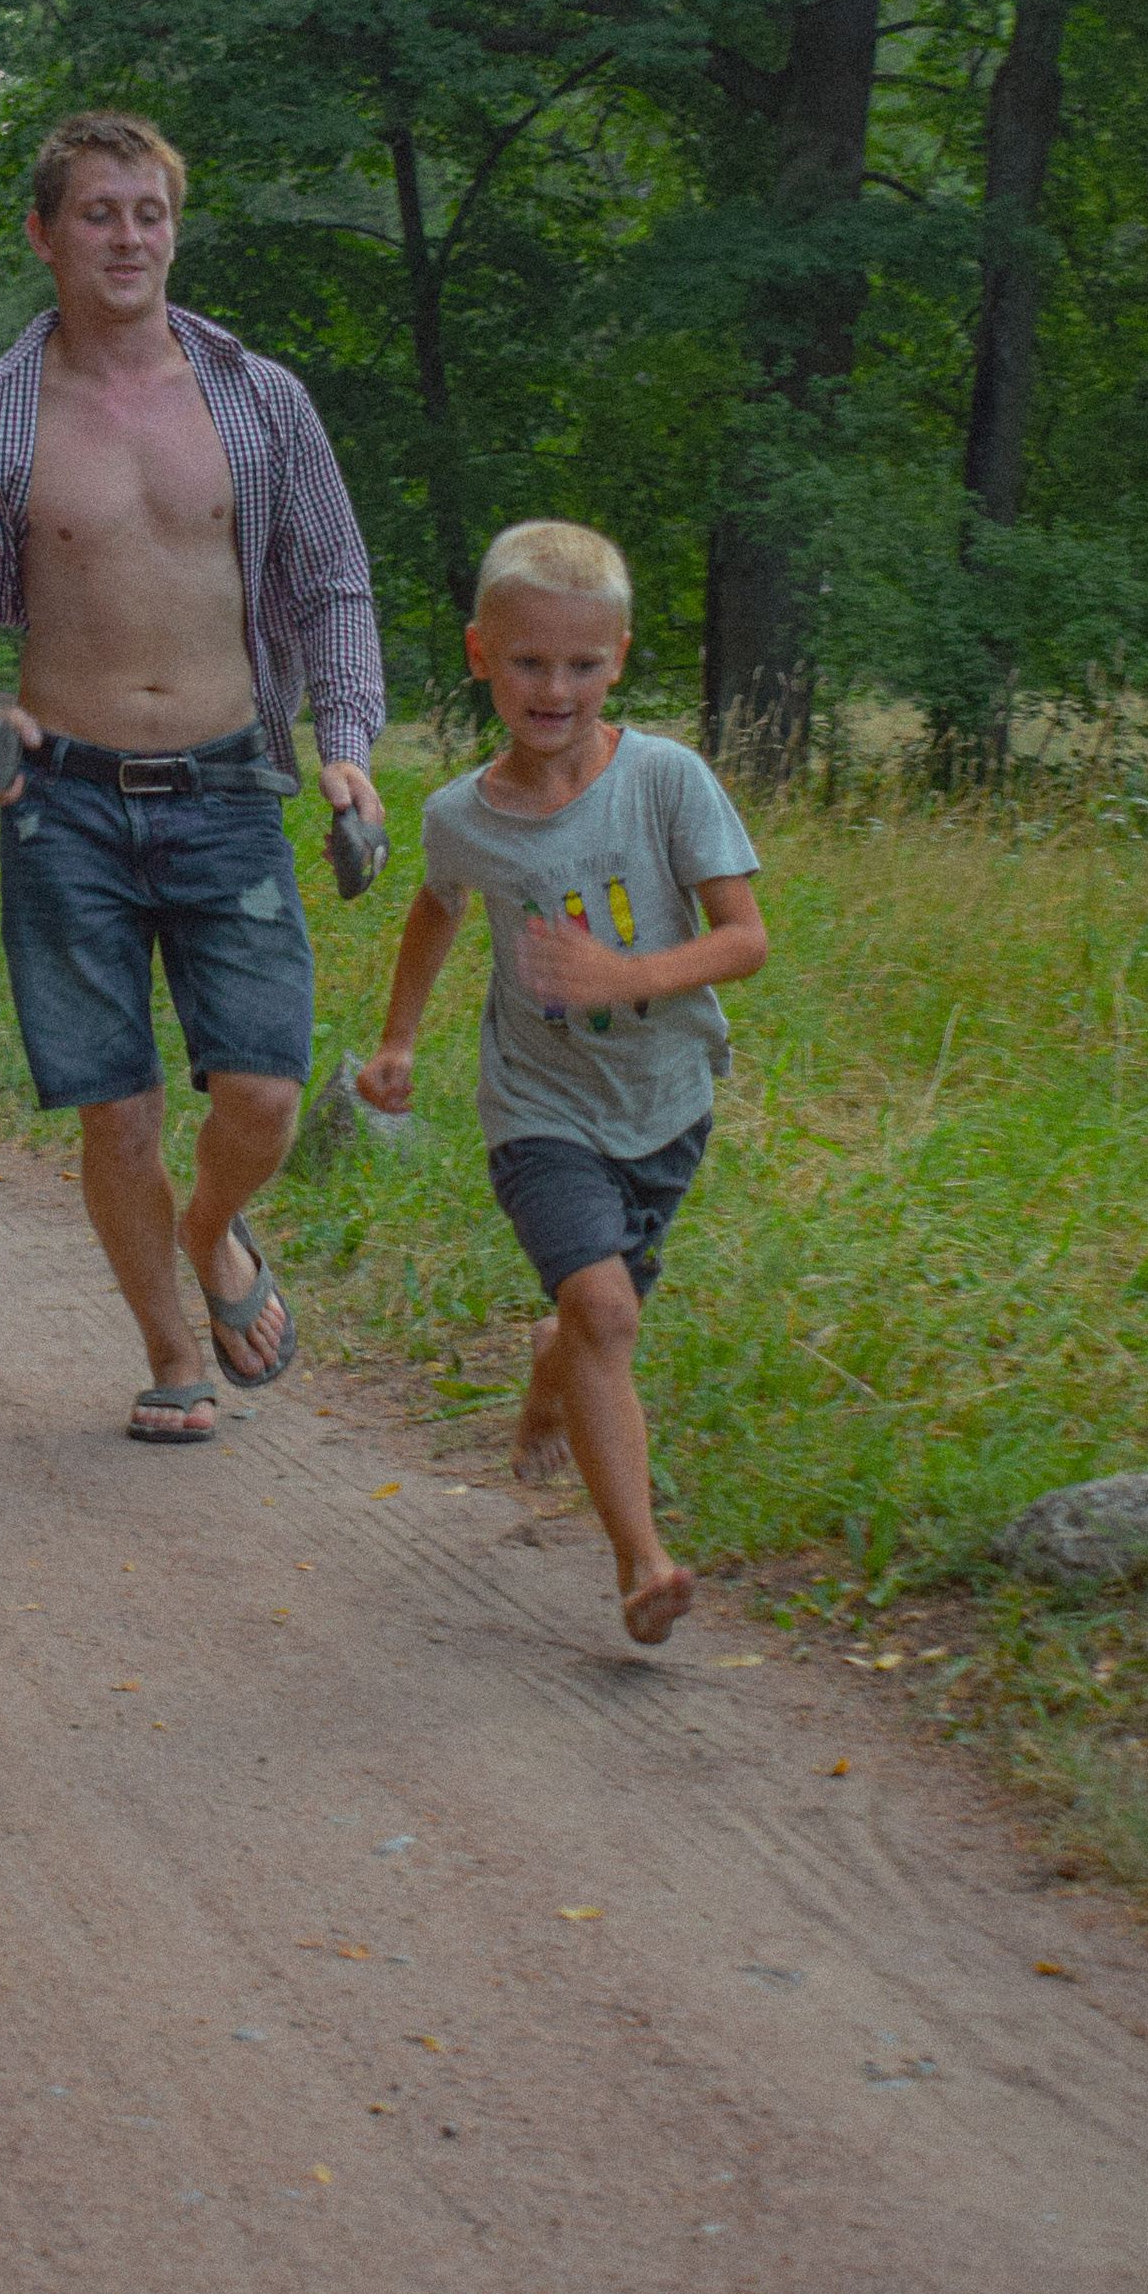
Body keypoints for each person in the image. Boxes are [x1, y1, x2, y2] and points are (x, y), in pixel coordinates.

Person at [0, 108, 385, 1446]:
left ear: (174, 229)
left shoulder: (259, 398)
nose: (129, 236)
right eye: (99, 213)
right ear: (46, 235)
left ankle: (214, 1229)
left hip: (230, 787)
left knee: (265, 1092)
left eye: (150, 212)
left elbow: (334, 583)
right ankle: (172, 1353)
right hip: (66, 809)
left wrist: (347, 746)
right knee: (115, 1106)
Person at [354, 520, 768, 1646]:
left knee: (594, 1327)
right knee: (602, 1307)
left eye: (582, 665)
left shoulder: (667, 780)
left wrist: (628, 973)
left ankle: (551, 1369)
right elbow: (435, 905)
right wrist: (397, 1043)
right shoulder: (459, 817)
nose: (556, 687)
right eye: (530, 662)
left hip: (666, 1099)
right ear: (482, 653)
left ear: (619, 660)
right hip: (538, 1109)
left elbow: (743, 941)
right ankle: (642, 1564)